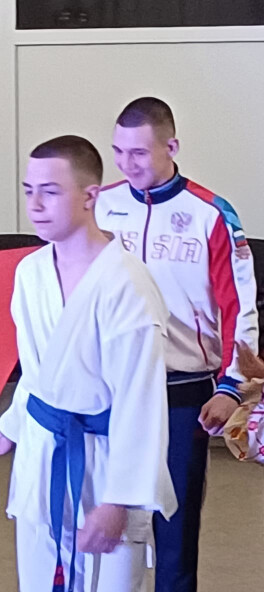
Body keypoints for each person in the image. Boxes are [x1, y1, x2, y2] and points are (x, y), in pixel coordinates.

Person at [0, 135, 176, 591]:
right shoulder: (31, 272)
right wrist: (10, 427)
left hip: (106, 462)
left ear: (90, 196)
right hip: (43, 451)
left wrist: (119, 499)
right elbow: (38, 371)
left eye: (50, 191)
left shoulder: (127, 284)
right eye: (29, 191)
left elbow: (141, 402)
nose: (35, 205)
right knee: (40, 581)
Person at [96, 97, 259, 592]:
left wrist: (231, 387)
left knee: (176, 526)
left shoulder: (210, 214)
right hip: (112, 390)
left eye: (139, 153)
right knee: (108, 520)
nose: (127, 164)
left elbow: (239, 308)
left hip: (184, 392)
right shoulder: (101, 205)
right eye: (118, 151)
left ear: (171, 147)